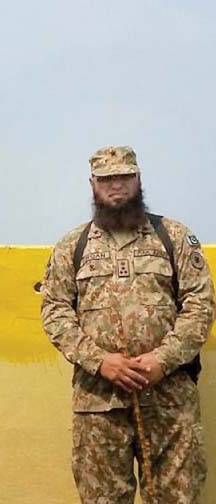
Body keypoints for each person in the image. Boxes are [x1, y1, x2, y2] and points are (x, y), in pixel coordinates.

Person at [41, 146, 214, 503]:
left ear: (138, 179)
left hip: (168, 401)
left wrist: (161, 360)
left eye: (124, 177)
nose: (116, 185)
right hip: (99, 404)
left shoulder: (175, 237)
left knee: (176, 497)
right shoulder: (72, 246)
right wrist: (99, 361)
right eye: (106, 179)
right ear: (92, 184)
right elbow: (55, 311)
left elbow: (200, 305)